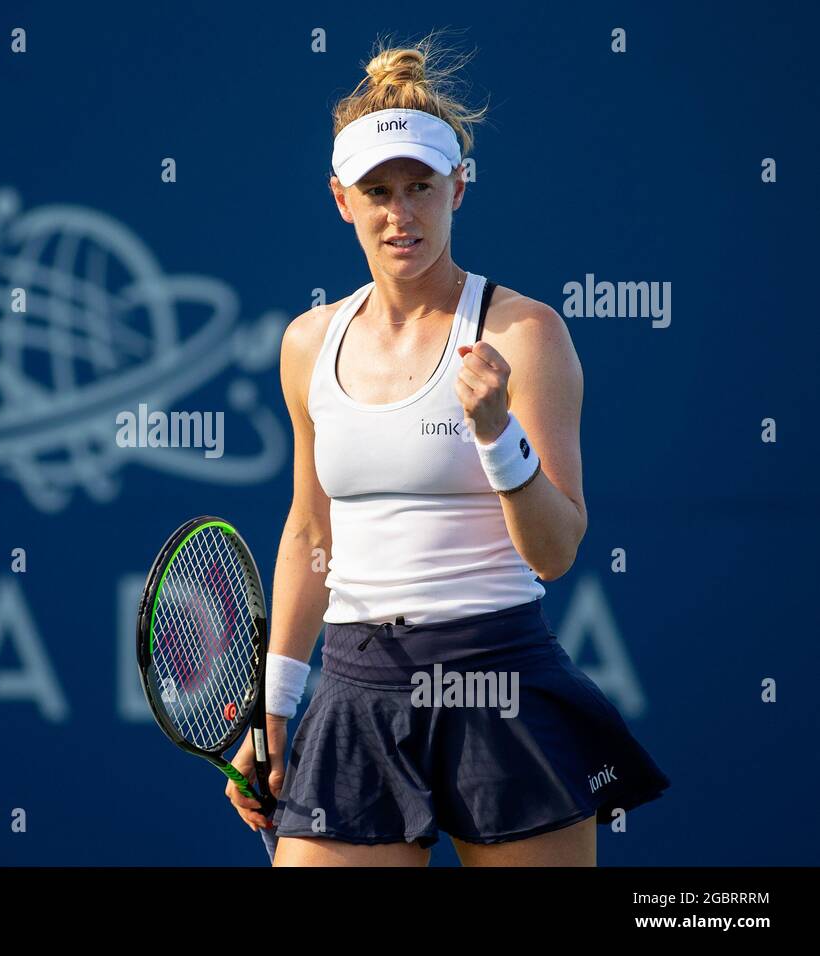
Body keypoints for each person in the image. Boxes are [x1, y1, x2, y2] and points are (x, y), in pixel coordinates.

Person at [224, 34, 670, 866]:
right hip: (355, 689)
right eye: (378, 191)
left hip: (498, 681)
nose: (402, 214)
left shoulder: (524, 333)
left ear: (458, 188)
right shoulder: (305, 343)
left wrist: (499, 435)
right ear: (340, 200)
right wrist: (273, 700)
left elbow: (556, 550)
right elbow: (310, 535)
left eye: (422, 187)